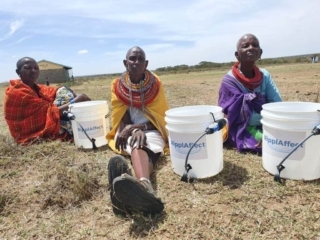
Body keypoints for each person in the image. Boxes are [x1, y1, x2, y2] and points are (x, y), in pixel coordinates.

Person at [106, 46, 169, 216]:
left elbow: (160, 118)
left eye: (141, 59)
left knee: (139, 144)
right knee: (137, 143)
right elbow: (121, 113)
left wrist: (140, 128)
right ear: (125, 63)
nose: (136, 62)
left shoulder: (155, 83)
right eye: (132, 58)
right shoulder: (117, 85)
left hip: (152, 129)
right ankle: (138, 193)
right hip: (127, 130)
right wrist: (131, 129)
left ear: (146, 63)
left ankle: (141, 188)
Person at [4, 57, 91, 145]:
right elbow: (52, 112)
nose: (33, 71)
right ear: (18, 72)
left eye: (36, 68)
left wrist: (77, 95)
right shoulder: (16, 93)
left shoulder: (37, 88)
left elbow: (60, 89)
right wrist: (76, 101)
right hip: (30, 133)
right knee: (77, 125)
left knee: (64, 92)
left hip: (51, 119)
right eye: (27, 68)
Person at [218, 34, 282, 153]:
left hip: (265, 123)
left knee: (283, 139)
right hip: (240, 126)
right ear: (237, 55)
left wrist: (274, 126)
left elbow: (276, 103)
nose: (251, 48)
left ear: (260, 53)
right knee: (269, 144)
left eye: (255, 45)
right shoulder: (229, 81)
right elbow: (228, 113)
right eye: (245, 46)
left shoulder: (265, 76)